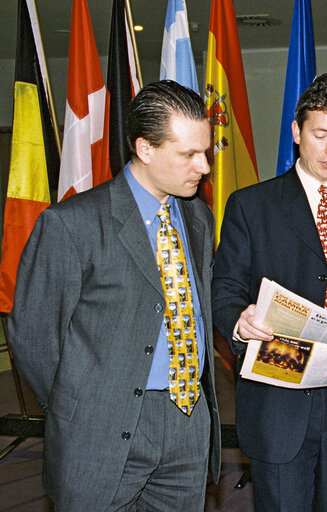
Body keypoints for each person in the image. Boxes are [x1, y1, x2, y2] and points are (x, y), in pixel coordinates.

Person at [9, 80, 221, 510]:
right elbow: (33, 337)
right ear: (145, 149)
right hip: (101, 428)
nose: (204, 166)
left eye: (205, 151)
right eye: (188, 154)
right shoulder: (72, 224)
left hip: (186, 421)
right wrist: (82, 407)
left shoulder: (197, 216)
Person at [212, 73, 327, 511]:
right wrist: (240, 319)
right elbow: (224, 288)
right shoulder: (251, 205)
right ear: (296, 133)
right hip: (280, 398)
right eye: (320, 135)